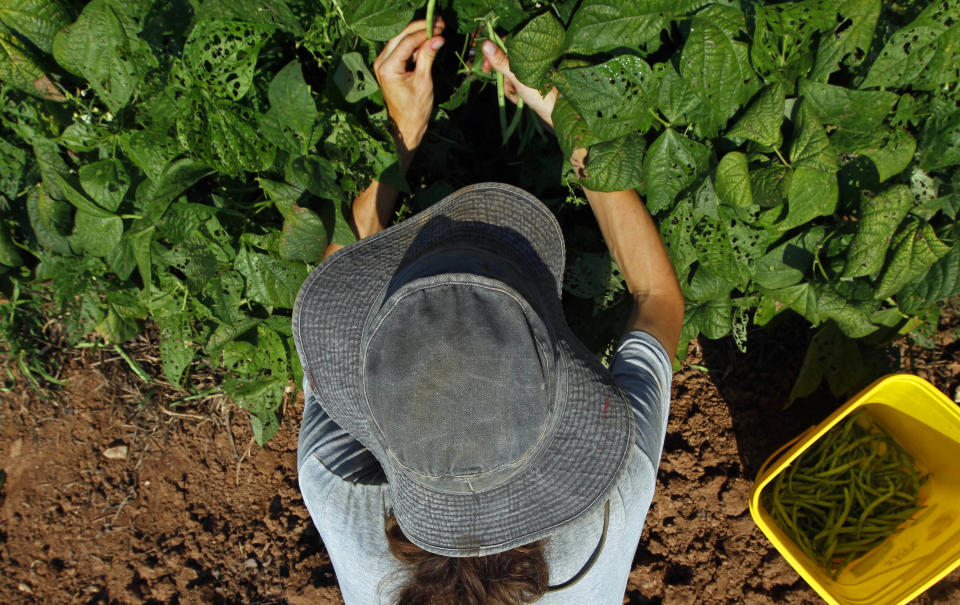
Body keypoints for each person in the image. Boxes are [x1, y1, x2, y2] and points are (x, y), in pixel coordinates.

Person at [293, 17, 685, 605]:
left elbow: (657, 303)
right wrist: (565, 119)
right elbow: (658, 299)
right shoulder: (605, 508)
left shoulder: (342, 490)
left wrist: (402, 139)